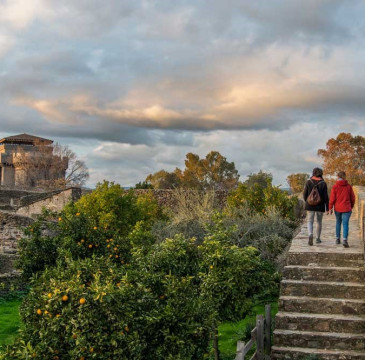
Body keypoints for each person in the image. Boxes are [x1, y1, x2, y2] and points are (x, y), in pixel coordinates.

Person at [329, 171, 355, 248]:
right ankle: (345, 240)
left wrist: (330, 207)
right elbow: (352, 198)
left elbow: (332, 198)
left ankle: (337, 239)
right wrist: (351, 206)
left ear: (338, 177)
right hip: (347, 208)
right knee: (345, 224)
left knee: (338, 222)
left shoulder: (335, 186)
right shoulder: (349, 186)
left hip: (338, 208)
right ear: (344, 177)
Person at [303, 168, 329, 246]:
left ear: (313, 173)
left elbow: (305, 195)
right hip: (320, 207)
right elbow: (326, 197)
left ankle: (310, 234)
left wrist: (308, 201)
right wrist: (327, 208)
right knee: (319, 222)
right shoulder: (323, 183)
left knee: (310, 221)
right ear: (321, 174)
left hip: (310, 206)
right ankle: (317, 238)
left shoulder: (308, 182)